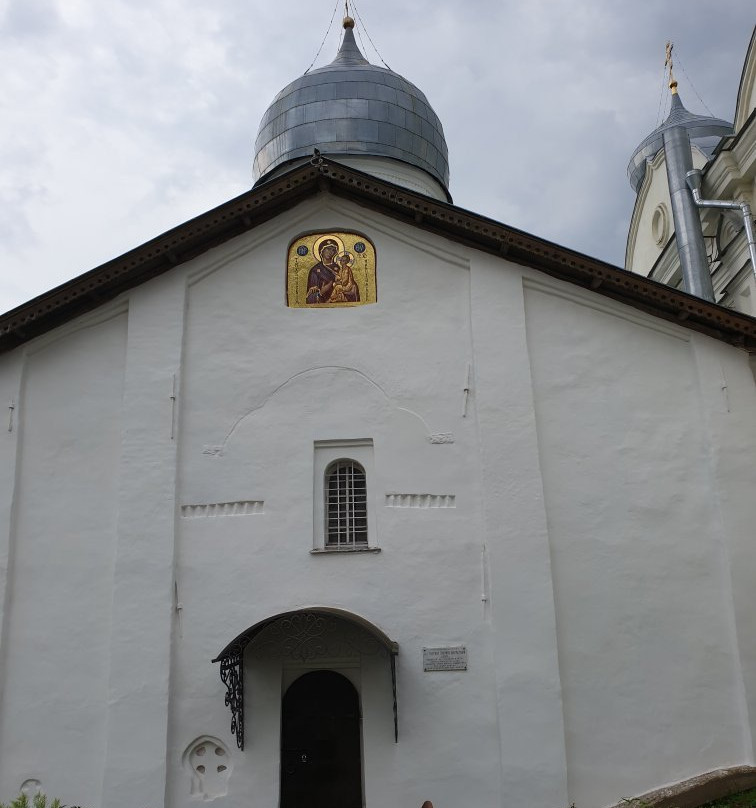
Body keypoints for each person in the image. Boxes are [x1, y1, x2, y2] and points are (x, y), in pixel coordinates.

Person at [306, 239, 340, 304]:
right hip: (322, 302)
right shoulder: (315, 270)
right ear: (321, 251)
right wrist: (322, 291)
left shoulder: (338, 268)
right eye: (328, 249)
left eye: (333, 250)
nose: (330, 252)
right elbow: (310, 296)